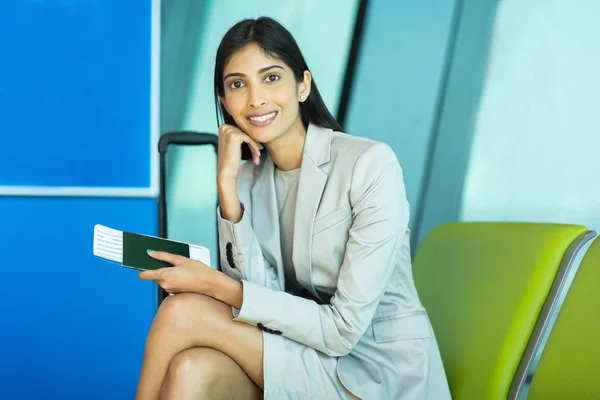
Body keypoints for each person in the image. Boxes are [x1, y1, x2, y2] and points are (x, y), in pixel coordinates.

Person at [135, 16, 451, 400]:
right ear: (224, 101)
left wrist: (216, 285)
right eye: (238, 84)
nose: (255, 99)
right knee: (191, 370)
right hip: (310, 351)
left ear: (303, 85)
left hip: (376, 369)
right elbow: (261, 295)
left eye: (271, 78)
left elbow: (343, 329)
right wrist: (227, 188)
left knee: (182, 312)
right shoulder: (250, 177)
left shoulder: (369, 164)